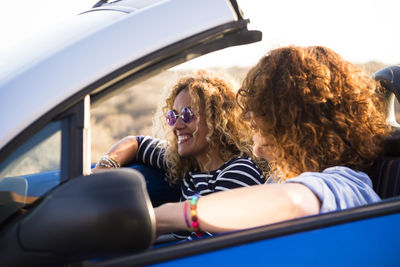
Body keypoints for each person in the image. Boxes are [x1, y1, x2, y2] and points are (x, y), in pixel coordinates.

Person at [154, 46, 390, 236]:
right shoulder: (279, 180)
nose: (247, 117)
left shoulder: (345, 183)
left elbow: (292, 202)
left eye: (260, 108)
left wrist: (164, 217)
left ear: (295, 118)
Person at [93, 70, 267, 237]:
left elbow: (206, 245)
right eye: (172, 116)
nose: (176, 126)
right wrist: (105, 166)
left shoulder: (239, 172)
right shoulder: (188, 162)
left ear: (217, 119)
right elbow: (136, 143)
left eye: (187, 115)